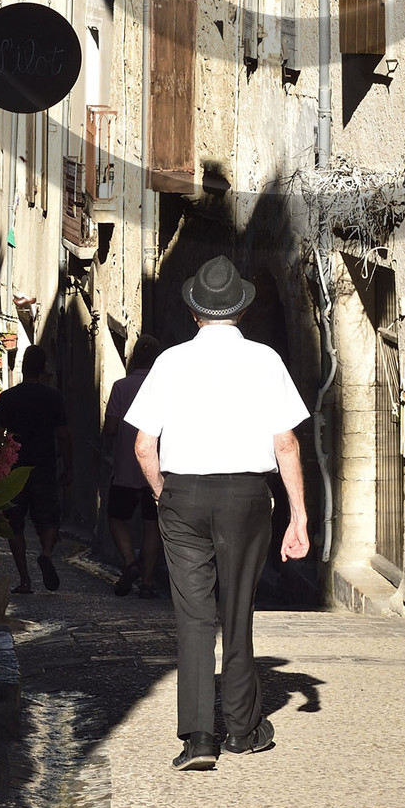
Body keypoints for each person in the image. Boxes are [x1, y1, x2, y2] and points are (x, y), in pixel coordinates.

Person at [127, 256, 310, 771]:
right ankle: (243, 728)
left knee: (193, 617)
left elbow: (144, 445)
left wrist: (166, 494)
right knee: (236, 612)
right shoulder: (266, 361)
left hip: (183, 493)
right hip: (246, 497)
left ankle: (198, 739)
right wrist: (298, 514)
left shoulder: (168, 362)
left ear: (194, 312)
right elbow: (287, 444)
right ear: (241, 310)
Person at [0, 343, 72, 594]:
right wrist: (68, 465)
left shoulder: (8, 398)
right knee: (49, 518)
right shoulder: (54, 398)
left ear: (23, 368)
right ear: (43, 368)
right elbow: (63, 435)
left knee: (14, 525)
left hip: (14, 470)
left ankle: (25, 580)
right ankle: (46, 553)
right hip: (44, 465)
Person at [102, 333, 163, 597]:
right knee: (152, 526)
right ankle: (147, 583)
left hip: (126, 468)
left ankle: (129, 561)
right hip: (157, 471)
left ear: (134, 358)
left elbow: (111, 428)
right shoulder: (166, 387)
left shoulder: (121, 387)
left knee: (116, 519)